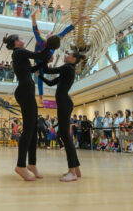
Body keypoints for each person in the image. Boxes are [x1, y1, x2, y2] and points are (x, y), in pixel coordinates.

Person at [3, 33, 54, 181]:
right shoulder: (19, 52)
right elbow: (37, 54)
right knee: (28, 130)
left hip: (27, 92)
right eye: (19, 38)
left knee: (32, 130)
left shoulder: (19, 55)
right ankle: (21, 165)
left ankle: (32, 164)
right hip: (25, 92)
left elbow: (31, 70)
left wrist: (44, 60)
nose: (22, 39)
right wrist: (48, 42)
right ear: (16, 43)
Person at [37, 50, 86, 182]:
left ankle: (72, 172)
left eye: (68, 54)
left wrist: (46, 58)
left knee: (65, 136)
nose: (65, 55)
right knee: (66, 137)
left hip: (64, 104)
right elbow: (51, 83)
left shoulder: (67, 68)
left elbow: (47, 71)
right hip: (64, 103)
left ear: (73, 59)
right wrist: (39, 75)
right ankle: (76, 170)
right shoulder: (68, 69)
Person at [31, 9, 88, 104]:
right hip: (41, 61)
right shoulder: (53, 44)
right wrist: (79, 20)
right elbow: (67, 30)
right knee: (40, 75)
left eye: (50, 34)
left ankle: (41, 96)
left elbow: (35, 28)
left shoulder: (41, 41)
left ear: (48, 39)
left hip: (39, 61)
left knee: (40, 75)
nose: (50, 33)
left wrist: (33, 17)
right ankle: (41, 96)